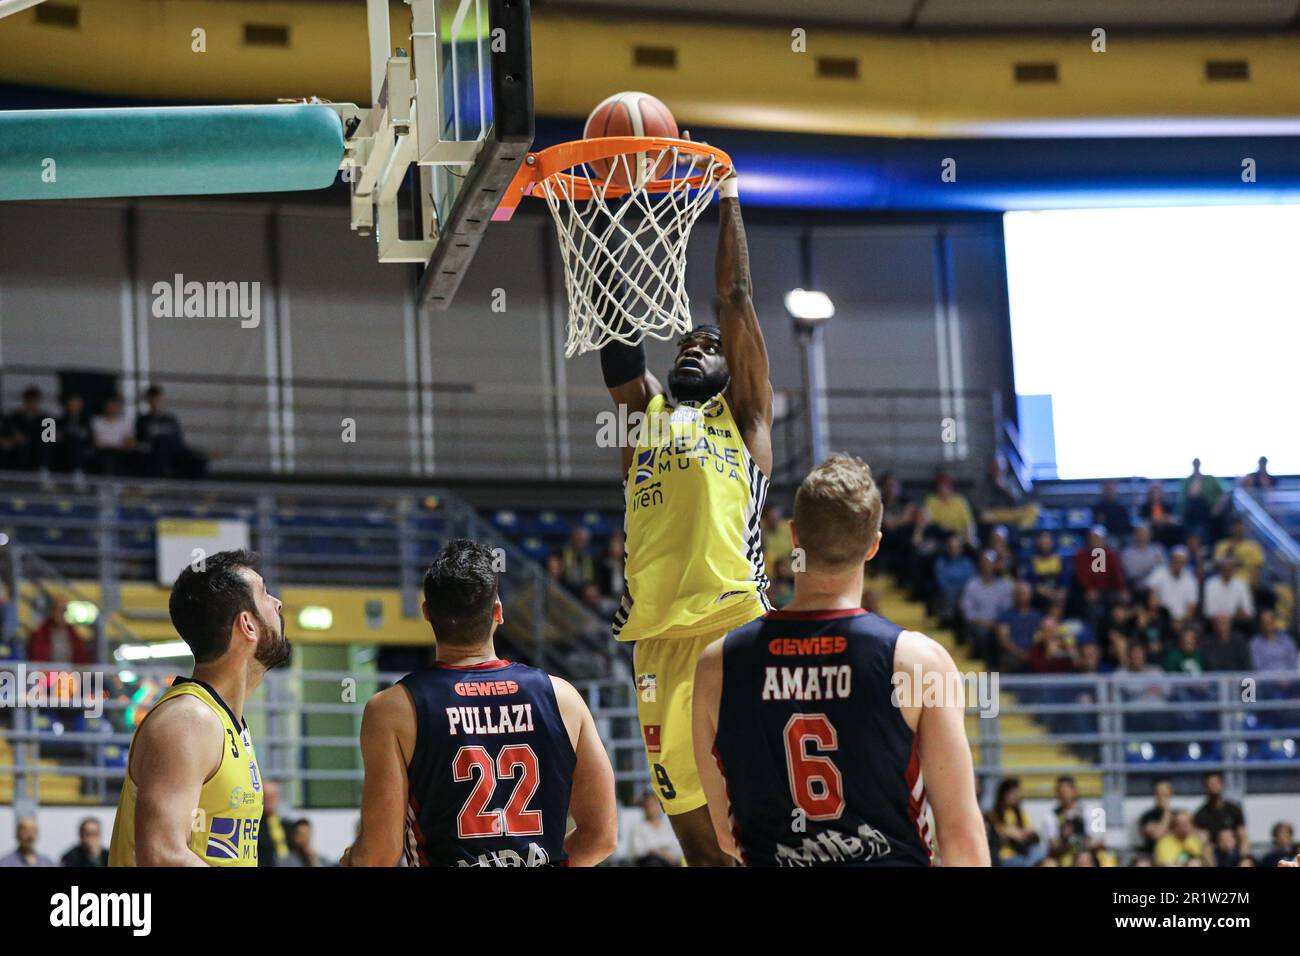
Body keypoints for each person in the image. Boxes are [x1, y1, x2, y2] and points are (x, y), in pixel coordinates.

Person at [692, 455, 989, 867]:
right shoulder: (919, 661)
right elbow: (961, 836)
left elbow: (726, 836)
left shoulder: (717, 664)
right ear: (874, 545)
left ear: (794, 538)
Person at [598, 171, 774, 866]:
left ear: (731, 366)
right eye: (684, 346)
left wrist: (726, 198)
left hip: (733, 632)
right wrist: (607, 217)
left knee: (757, 826)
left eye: (707, 345)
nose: (694, 347)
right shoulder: (645, 418)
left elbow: (733, 297)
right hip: (657, 647)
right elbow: (617, 344)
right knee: (700, 848)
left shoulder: (746, 417)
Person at [345, 539, 617, 867]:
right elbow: (601, 836)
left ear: (427, 614)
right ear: (498, 612)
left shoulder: (392, 709)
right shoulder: (562, 697)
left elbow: (380, 853)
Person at [108, 550, 289, 866]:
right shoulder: (188, 720)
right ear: (247, 625)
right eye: (264, 593)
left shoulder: (225, 721)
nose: (278, 604)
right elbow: (162, 855)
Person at [135, 384, 207, 479]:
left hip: (175, 453)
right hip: (155, 455)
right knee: (161, 447)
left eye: (158, 399)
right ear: (148, 400)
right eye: (154, 399)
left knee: (200, 459)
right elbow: (142, 441)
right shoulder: (143, 420)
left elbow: (179, 442)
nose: (157, 402)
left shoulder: (170, 419)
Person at [959, 549, 1014, 659]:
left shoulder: (1005, 585)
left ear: (996, 565)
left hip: (999, 625)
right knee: (982, 632)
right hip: (978, 624)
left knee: (1006, 630)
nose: (987, 566)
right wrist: (985, 623)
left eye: (990, 563)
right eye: (984, 563)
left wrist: (997, 623)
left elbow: (1007, 610)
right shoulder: (972, 585)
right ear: (980, 564)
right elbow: (968, 611)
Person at [988, 778, 1044, 866]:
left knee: (1041, 850)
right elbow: (1000, 833)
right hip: (1006, 856)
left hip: (1023, 852)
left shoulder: (1020, 813)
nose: (1016, 797)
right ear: (1004, 794)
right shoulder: (994, 815)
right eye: (1013, 793)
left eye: (1017, 794)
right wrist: (1012, 833)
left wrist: (1021, 833)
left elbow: (1028, 831)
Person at [25, 595, 93, 664]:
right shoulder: (39, 636)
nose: (60, 615)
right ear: (52, 612)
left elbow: (82, 661)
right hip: (47, 673)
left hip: (69, 673)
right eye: (58, 610)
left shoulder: (74, 637)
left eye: (63, 611)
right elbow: (36, 661)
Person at [1192, 771, 1248, 852]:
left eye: (1215, 783)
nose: (1213, 787)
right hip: (1214, 852)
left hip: (1234, 849)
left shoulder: (1234, 809)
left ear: (1222, 784)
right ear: (1205, 787)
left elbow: (1242, 834)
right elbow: (1202, 839)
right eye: (1210, 784)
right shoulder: (1201, 814)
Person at [623, 791, 683, 867]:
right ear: (643, 808)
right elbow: (638, 851)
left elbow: (678, 848)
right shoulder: (637, 828)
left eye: (654, 805)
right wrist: (662, 853)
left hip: (672, 861)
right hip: (650, 862)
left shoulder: (669, 826)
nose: (651, 808)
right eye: (648, 805)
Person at [1146, 546, 1199, 625]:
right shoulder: (1159, 572)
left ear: (1185, 562)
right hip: (1161, 617)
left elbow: (1191, 607)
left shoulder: (1191, 580)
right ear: (1171, 560)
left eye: (1181, 562)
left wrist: (1181, 621)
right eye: (1176, 560)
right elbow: (1152, 596)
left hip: (1181, 621)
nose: (1178, 564)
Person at [924, 473, 978, 547]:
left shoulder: (960, 501)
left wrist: (970, 536)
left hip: (959, 536)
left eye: (946, 486)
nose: (943, 489)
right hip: (939, 536)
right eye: (941, 486)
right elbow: (927, 521)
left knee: (973, 543)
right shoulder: (932, 500)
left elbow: (969, 523)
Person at [91, 393, 136, 476]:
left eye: (116, 405)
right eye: (111, 405)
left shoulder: (126, 422)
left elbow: (130, 443)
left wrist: (120, 446)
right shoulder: (96, 421)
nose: (113, 408)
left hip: (120, 453)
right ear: (105, 406)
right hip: (102, 453)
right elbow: (96, 442)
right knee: (107, 457)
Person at [1202, 558, 1254, 625]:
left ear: (1234, 570)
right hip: (1215, 623)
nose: (1227, 572)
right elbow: (1208, 611)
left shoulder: (1242, 585)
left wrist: (1229, 616)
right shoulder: (1210, 584)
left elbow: (1249, 611)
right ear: (1220, 570)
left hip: (1237, 623)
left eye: (1230, 569)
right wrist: (1233, 614)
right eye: (1225, 569)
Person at [1213, 520, 1265, 586]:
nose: (1239, 529)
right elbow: (1217, 566)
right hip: (1225, 584)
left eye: (1241, 527)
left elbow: (1258, 568)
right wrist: (1229, 552)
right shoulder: (1222, 545)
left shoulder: (1253, 546)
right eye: (1236, 527)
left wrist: (1254, 585)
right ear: (1231, 528)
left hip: (1247, 584)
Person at [1121, 524, 1166, 591]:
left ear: (1150, 535)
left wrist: (1141, 568)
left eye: (1145, 533)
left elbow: (1164, 570)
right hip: (1135, 588)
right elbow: (1130, 574)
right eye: (1139, 533)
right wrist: (1151, 565)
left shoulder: (1158, 550)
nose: (1142, 536)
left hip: (1155, 588)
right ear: (1135, 535)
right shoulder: (1127, 553)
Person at [256, 779, 290, 866]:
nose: (269, 801)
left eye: (272, 797)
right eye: (266, 796)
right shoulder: (255, 825)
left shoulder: (286, 824)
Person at [1137, 777, 1175, 854]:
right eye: (1159, 793)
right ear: (1154, 794)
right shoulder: (1147, 817)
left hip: (1177, 855)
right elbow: (1158, 835)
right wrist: (1166, 812)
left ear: (1170, 793)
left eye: (1165, 793)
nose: (1162, 796)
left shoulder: (1178, 815)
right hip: (1154, 855)